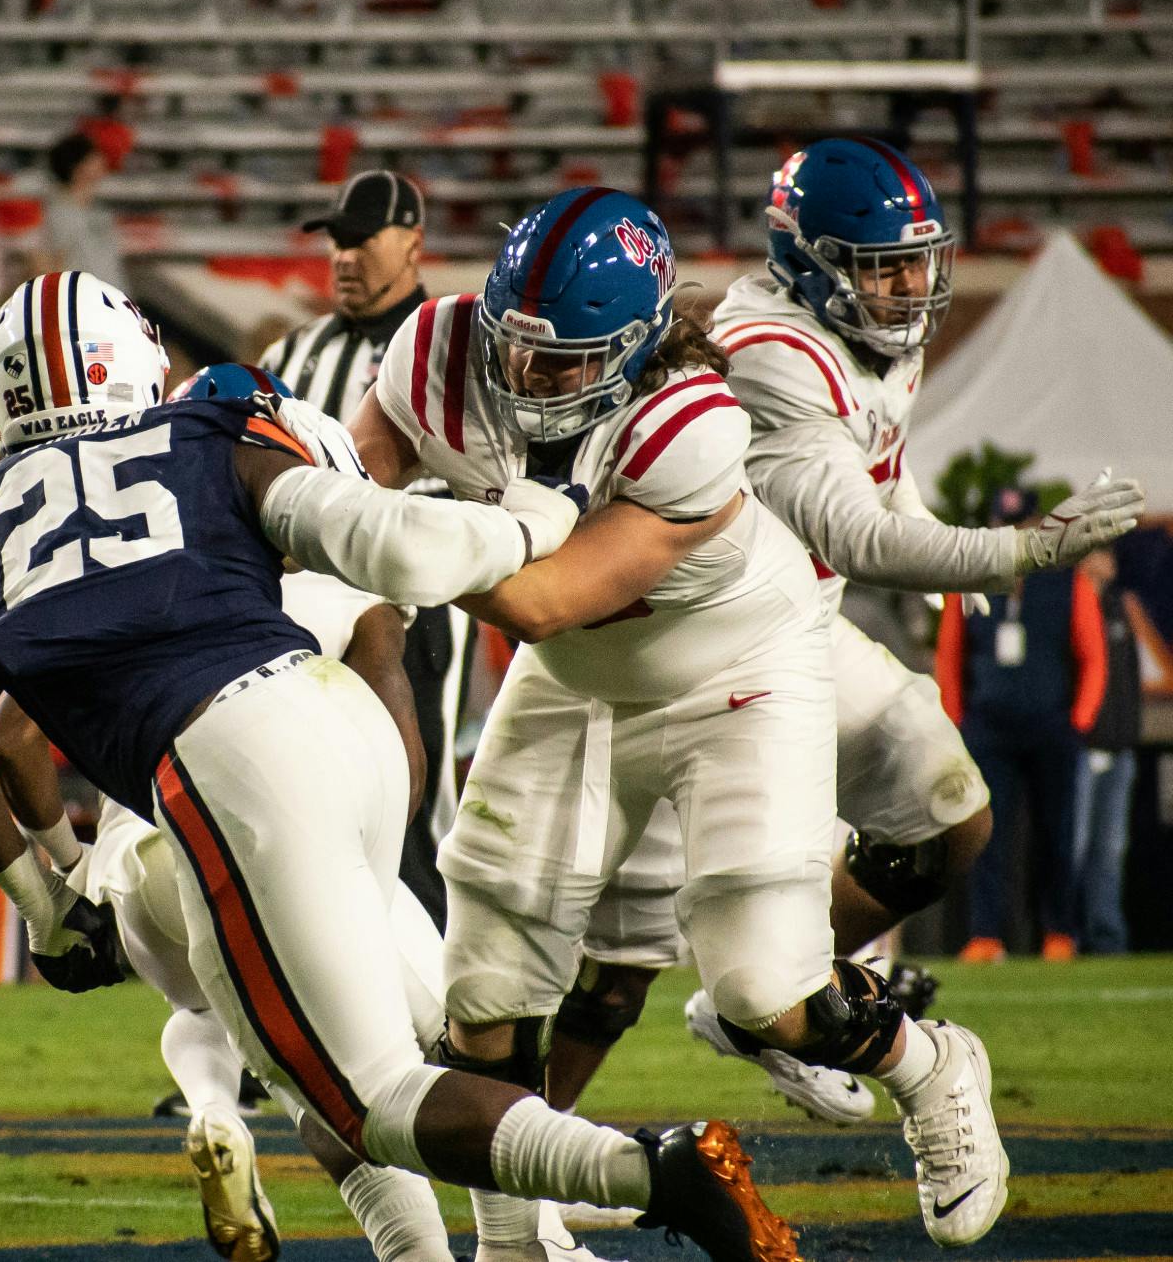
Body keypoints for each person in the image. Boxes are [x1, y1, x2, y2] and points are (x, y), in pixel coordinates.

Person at [0, 270, 804, 1262]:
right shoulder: (206, 434)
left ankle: (654, 1173)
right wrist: (543, 513)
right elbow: (382, 538)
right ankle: (525, 1248)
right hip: (336, 722)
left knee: (363, 1098)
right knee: (415, 1040)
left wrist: (43, 903)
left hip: (218, 768)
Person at [345, 187, 1006, 1251]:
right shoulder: (440, 347)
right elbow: (355, 475)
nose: (529, 375)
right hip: (578, 676)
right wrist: (355, 521)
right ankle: (517, 1246)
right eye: (517, 345)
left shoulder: (692, 423)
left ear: (637, 345)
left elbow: (540, 599)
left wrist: (400, 537)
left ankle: (930, 1065)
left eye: (564, 361)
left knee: (764, 992)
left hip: (735, 670)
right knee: (488, 984)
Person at [534, 141, 1144, 1125]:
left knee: (949, 817)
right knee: (615, 968)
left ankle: (773, 1002)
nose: (909, 287)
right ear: (810, 262)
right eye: (882, 266)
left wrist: (928, 520)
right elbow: (853, 533)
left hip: (794, 634)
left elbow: (876, 463)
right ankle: (512, 1151)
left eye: (915, 262)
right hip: (689, 654)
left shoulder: (867, 338)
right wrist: (1012, 550)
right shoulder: (773, 355)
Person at [258, 170, 458, 927]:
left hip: (418, 594)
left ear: (413, 242)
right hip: (302, 595)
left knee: (412, 790)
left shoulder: (448, 341)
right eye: (336, 241)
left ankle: (431, 960)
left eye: (362, 239)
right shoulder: (294, 350)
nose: (343, 257)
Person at [938, 486, 1108, 963]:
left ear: (1037, 526)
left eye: (1020, 525)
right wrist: (956, 720)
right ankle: (985, 934)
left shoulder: (1066, 580)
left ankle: (1058, 931)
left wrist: (1079, 721)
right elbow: (949, 655)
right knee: (986, 835)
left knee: (1057, 833)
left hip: (1051, 725)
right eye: (1003, 526)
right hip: (989, 726)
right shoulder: (970, 581)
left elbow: (1092, 654)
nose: (1011, 535)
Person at [1074, 546, 1140, 954]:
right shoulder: (1070, 604)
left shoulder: (1118, 607)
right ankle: (1066, 934)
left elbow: (1129, 679)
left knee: (1111, 848)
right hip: (1082, 747)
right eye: (1101, 551)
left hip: (1118, 748)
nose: (1110, 560)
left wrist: (1128, 733)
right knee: (1075, 847)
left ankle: (1107, 937)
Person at [40, 134, 126, 290]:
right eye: (94, 157)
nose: (102, 161)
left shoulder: (99, 211)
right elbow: (54, 264)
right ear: (78, 167)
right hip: (82, 297)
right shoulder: (60, 214)